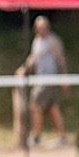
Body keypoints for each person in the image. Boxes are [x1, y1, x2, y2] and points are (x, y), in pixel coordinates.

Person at [19, 16, 68, 147]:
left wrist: (64, 77)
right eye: (39, 27)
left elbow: (60, 59)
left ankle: (36, 137)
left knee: (35, 103)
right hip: (40, 77)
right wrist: (24, 69)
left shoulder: (53, 40)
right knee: (52, 107)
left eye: (43, 27)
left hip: (49, 78)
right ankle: (62, 137)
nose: (41, 29)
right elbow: (33, 57)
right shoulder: (36, 41)